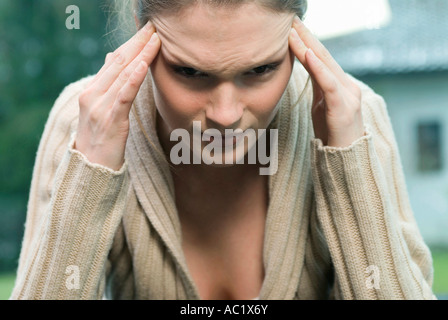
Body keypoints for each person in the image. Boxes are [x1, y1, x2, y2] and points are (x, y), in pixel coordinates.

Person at [10, 0, 435, 300]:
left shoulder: (354, 115)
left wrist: (347, 166)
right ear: (142, 30)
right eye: (190, 72)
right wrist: (91, 171)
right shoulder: (84, 120)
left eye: (260, 70)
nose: (226, 115)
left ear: (298, 35)